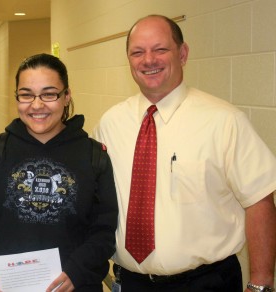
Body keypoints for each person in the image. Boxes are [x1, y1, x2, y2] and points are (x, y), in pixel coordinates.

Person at [93, 14, 276, 292]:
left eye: (160, 49)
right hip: (131, 282)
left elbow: (259, 200)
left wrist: (261, 284)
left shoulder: (224, 121)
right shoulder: (110, 124)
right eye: (138, 52)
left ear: (183, 53)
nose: (149, 60)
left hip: (207, 283)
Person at [0, 53, 118, 292]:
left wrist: (77, 271)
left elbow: (103, 230)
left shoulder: (93, 156)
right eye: (26, 94)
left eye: (49, 94)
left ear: (66, 96)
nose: (37, 105)